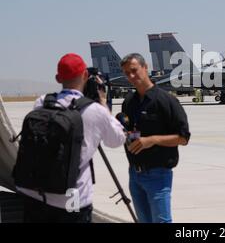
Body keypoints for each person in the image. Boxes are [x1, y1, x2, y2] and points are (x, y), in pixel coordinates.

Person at [16, 53, 126, 223]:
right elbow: (116, 139)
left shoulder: (42, 102)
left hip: (36, 192)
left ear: (58, 78)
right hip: (72, 196)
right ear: (85, 75)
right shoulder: (95, 110)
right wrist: (103, 102)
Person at [120, 53, 190, 223]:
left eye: (134, 70)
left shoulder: (166, 100)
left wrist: (151, 140)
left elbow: (183, 138)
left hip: (158, 175)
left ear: (145, 68)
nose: (131, 76)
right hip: (134, 174)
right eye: (127, 73)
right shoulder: (129, 101)